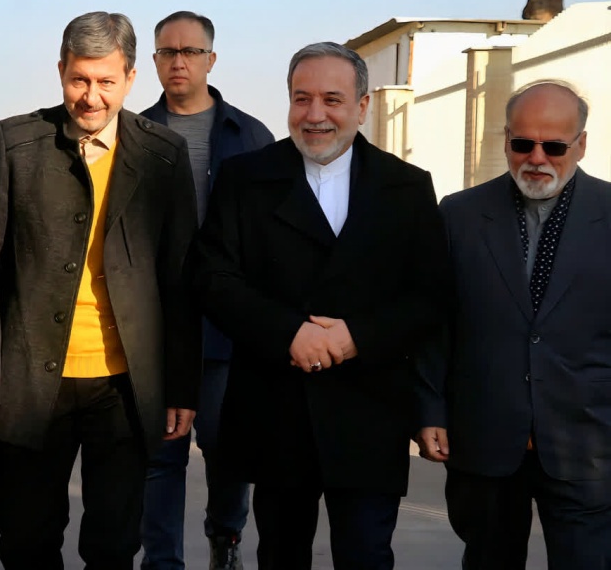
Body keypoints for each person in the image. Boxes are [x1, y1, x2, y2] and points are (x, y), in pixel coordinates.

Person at [194, 41, 448, 569]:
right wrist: (290, 333)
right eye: (301, 98)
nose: (315, 115)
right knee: (281, 553)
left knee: (367, 554)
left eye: (332, 100)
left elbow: (429, 297)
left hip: (370, 410)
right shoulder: (245, 178)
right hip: (276, 408)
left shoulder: (406, 186)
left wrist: (356, 337)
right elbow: (214, 279)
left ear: (362, 106)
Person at [0, 11, 201, 569]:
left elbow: (180, 281)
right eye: (79, 79)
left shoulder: (163, 155)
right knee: (25, 540)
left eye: (106, 81)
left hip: (124, 386)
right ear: (60, 70)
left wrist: (182, 386)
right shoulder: (15, 144)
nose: (91, 97)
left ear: (131, 78)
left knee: (114, 544)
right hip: (30, 381)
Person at [415, 80, 611, 569]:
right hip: (484, 438)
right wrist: (430, 409)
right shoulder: (458, 214)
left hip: (588, 442)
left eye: (554, 147)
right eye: (523, 143)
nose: (536, 158)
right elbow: (434, 323)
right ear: (505, 139)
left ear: (581, 144)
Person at [139, 10, 274, 570]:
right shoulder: (135, 132)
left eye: (190, 52)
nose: (179, 62)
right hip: (156, 324)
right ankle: (161, 560)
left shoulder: (250, 135)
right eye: (168, 52)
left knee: (226, 450)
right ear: (154, 61)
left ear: (211, 60)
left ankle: (226, 537)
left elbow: (270, 235)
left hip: (227, 327)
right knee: (160, 455)